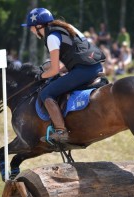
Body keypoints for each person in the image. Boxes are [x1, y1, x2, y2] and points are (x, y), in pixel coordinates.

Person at [21, 8, 105, 142]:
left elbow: (53, 70)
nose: (31, 30)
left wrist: (40, 76)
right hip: (95, 66)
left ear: (38, 26)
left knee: (46, 94)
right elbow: (77, 55)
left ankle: (61, 131)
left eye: (31, 27)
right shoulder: (67, 28)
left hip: (84, 70)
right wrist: (63, 70)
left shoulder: (52, 38)